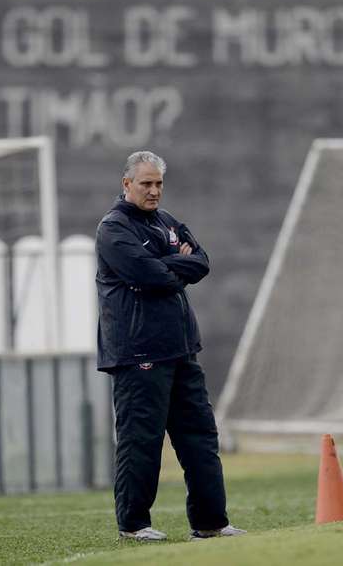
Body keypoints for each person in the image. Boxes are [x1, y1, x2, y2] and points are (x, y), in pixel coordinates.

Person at [95, 150, 246, 542]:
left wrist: (166, 263)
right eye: (146, 183)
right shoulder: (113, 229)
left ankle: (211, 522)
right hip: (138, 352)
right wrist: (172, 263)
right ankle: (133, 524)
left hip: (181, 349)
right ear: (126, 184)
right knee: (141, 439)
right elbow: (148, 275)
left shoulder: (168, 222)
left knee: (200, 436)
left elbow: (202, 262)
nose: (154, 190)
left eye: (159, 183)